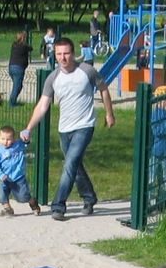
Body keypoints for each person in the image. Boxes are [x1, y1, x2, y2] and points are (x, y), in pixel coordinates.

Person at [20, 37, 115, 221]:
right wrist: (29, 128)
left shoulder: (87, 71)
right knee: (75, 166)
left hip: (85, 126)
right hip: (64, 129)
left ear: (73, 54)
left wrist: (109, 113)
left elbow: (103, 89)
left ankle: (58, 206)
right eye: (59, 54)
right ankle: (89, 198)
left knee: (69, 164)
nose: (63, 58)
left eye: (66, 53)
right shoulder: (53, 78)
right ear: (55, 55)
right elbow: (42, 105)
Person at [0, 125, 39, 217]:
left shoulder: (18, 145)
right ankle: (8, 209)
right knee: (1, 196)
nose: (6, 142)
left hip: (18, 177)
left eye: (8, 139)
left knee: (22, 198)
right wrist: (0, 175)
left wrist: (26, 137)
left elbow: (26, 142)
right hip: (4, 178)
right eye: (3, 139)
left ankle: (33, 202)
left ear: (13, 139)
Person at [7, 32, 30, 107]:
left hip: (11, 67)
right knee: (16, 87)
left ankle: (13, 101)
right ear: (23, 39)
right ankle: (12, 103)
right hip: (18, 68)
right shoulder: (24, 47)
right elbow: (30, 48)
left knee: (18, 86)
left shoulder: (14, 45)